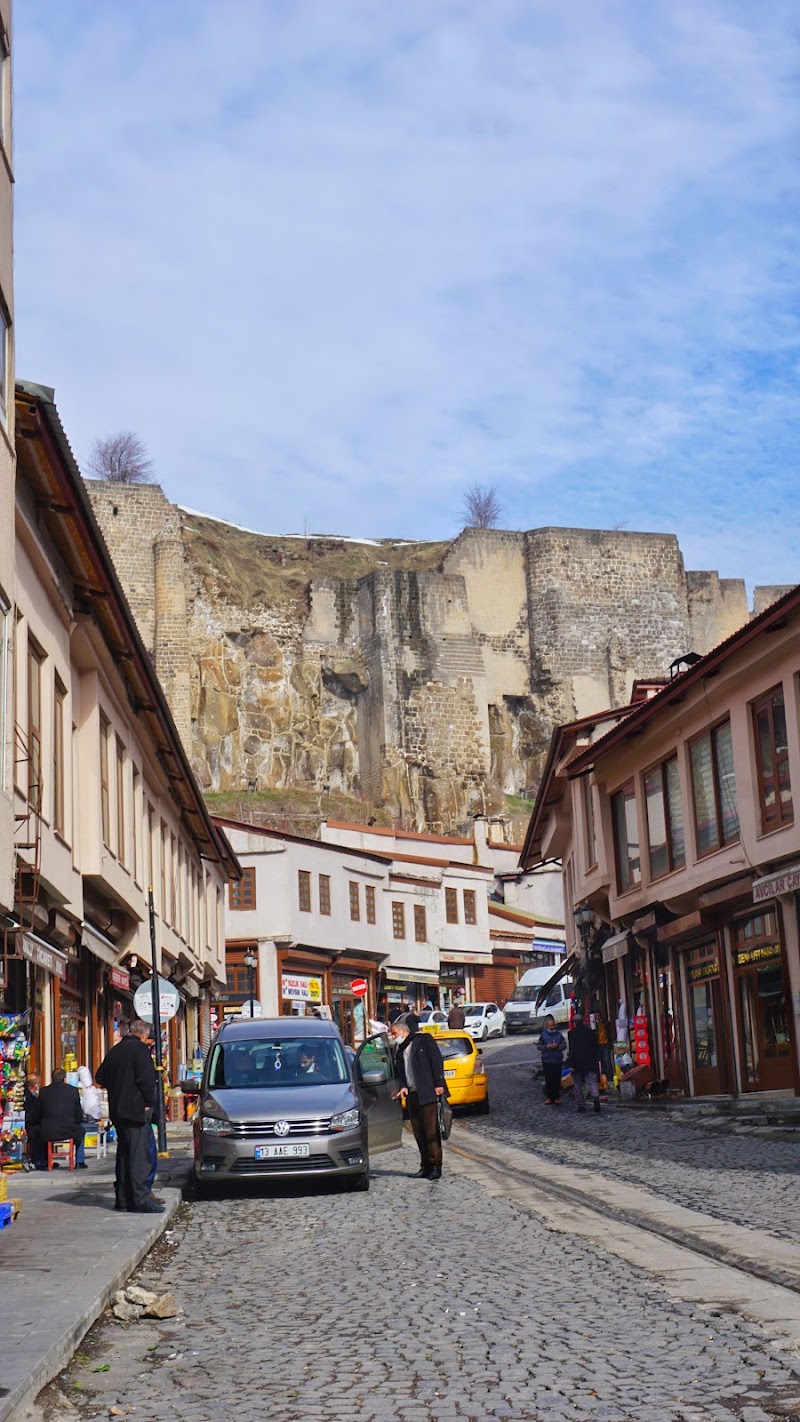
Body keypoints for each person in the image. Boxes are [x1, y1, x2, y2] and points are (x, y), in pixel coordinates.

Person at [96, 1019, 163, 1213]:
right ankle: (140, 1198)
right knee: (139, 1156)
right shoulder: (140, 1050)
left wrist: (118, 1087)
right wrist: (149, 1102)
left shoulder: (115, 1051)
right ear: (143, 1035)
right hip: (135, 1110)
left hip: (117, 1110)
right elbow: (146, 1079)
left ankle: (123, 1199)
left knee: (124, 1155)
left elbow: (100, 1077)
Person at [390, 1014, 447, 1181]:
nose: (393, 1037)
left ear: (403, 1031)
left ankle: (436, 1165)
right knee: (418, 1132)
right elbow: (400, 1073)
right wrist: (402, 1087)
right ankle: (425, 1166)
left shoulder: (423, 1041)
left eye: (394, 1034)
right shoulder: (399, 1051)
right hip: (412, 1095)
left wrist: (438, 1083)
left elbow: (436, 1060)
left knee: (431, 1132)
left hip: (427, 1093)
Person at [29, 1068, 87, 1168]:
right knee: (81, 1130)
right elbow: (78, 1114)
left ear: (52, 1079)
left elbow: (38, 1114)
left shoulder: (44, 1092)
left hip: (47, 1131)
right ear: (64, 1079)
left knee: (35, 1132)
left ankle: (41, 1161)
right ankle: (80, 1160)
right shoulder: (73, 1091)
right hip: (69, 1130)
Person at [568, 1014, 602, 1114]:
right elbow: (596, 1047)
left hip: (577, 1063)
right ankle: (596, 1098)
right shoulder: (590, 1033)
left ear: (574, 1023)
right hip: (590, 1062)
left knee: (577, 1084)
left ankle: (581, 1105)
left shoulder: (572, 1034)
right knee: (592, 1082)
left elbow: (572, 1049)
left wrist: (571, 1064)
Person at [537, 1014, 566, 1105]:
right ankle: (550, 1097)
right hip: (547, 1060)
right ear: (547, 1026)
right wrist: (547, 1047)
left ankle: (557, 1097)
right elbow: (539, 1046)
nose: (551, 1027)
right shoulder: (543, 1035)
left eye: (553, 1025)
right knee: (549, 1079)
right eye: (550, 1025)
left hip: (557, 1059)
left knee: (557, 1079)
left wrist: (557, 1046)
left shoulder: (559, 1035)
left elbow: (564, 1045)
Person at [24, 1072, 46, 1170]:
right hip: (29, 1124)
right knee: (39, 1133)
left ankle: (43, 1160)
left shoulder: (31, 1095)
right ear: (35, 1085)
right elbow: (33, 1115)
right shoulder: (29, 1097)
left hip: (30, 1122)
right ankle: (39, 1161)